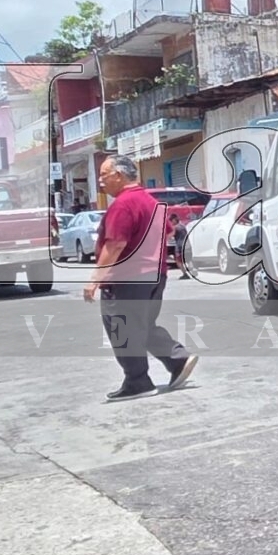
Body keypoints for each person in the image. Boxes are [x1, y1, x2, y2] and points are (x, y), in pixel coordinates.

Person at [84, 155, 198, 400]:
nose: (101, 182)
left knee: (121, 327)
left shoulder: (123, 204)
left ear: (119, 175)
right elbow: (167, 231)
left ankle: (138, 381)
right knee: (142, 326)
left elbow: (115, 245)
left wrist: (95, 279)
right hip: (155, 276)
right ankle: (177, 360)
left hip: (127, 278)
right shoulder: (149, 200)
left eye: (103, 175)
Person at [169, 212, 190, 279]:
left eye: (171, 221)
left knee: (178, 261)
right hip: (187, 245)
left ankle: (185, 274)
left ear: (174, 220)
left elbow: (170, 236)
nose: (171, 223)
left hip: (180, 246)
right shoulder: (183, 225)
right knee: (188, 259)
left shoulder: (175, 227)